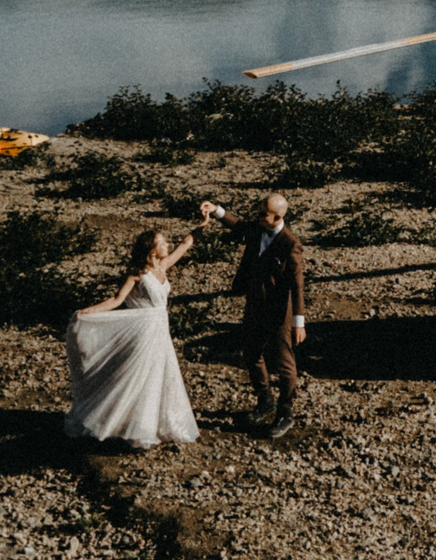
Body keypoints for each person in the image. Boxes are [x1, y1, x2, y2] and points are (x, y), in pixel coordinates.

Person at [62, 220, 205, 449]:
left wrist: (204, 223)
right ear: (152, 249)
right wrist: (88, 311)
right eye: (162, 242)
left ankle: (154, 423)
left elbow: (186, 243)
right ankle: (131, 426)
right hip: (143, 331)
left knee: (160, 374)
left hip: (160, 329)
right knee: (138, 376)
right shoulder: (137, 274)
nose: (167, 245)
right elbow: (117, 300)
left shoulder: (163, 267)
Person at [224, 192, 306, 439]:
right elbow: (238, 225)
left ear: (277, 217)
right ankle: (265, 399)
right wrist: (218, 210)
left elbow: (297, 285)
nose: (258, 218)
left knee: (284, 363)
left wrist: (298, 321)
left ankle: (285, 411)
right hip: (255, 305)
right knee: (252, 352)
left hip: (280, 312)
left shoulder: (290, 244)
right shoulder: (258, 230)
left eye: (263, 214)